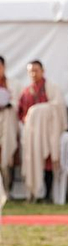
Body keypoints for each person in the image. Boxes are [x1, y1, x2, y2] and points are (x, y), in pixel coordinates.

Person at [17, 60, 66, 200]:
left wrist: (39, 111)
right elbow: (20, 114)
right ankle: (35, 194)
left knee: (48, 163)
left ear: (42, 71)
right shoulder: (26, 92)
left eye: (36, 70)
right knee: (32, 162)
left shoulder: (52, 88)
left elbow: (58, 106)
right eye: (31, 71)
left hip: (49, 133)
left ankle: (48, 194)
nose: (33, 73)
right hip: (32, 135)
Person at [0, 56, 19, 189]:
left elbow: (19, 104)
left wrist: (8, 104)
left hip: (8, 123)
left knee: (7, 154)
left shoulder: (14, 84)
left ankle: (7, 188)